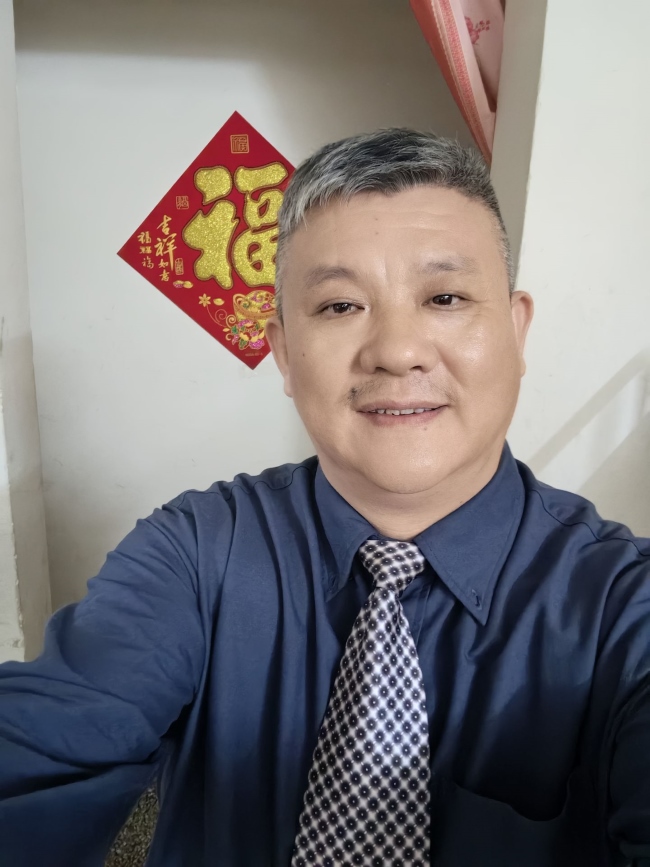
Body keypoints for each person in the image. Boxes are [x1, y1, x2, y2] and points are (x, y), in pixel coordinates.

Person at [0, 129, 648, 867]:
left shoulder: (620, 603)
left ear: (516, 327)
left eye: (444, 297)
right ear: (282, 351)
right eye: (341, 306)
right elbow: (42, 747)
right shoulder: (196, 553)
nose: (397, 351)